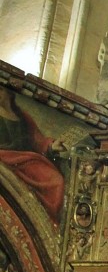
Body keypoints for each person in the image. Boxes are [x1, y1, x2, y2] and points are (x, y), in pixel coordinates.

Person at [0, 87, 66, 221]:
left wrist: (51, 146)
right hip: (5, 157)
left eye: (0, 90)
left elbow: (37, 139)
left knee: (57, 181)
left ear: (10, 93)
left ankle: (49, 220)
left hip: (25, 161)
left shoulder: (22, 116)